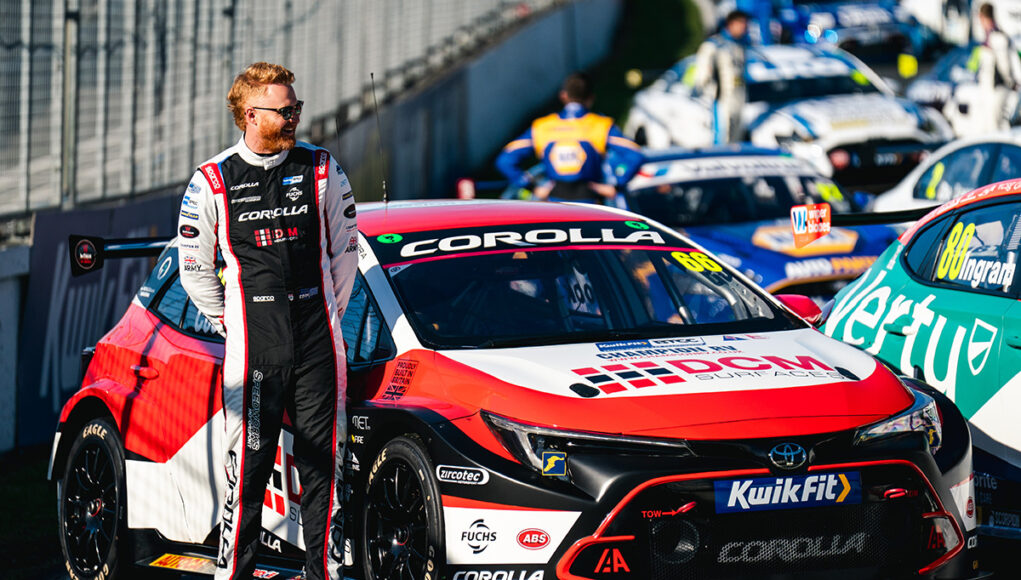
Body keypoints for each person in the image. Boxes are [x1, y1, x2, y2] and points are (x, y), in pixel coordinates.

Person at [177, 61, 357, 580]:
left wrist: (329, 314)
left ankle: (322, 572)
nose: (295, 117)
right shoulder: (211, 181)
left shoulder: (322, 168)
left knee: (324, 463)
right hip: (254, 346)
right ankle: (233, 574)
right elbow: (194, 271)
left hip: (318, 338)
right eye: (286, 110)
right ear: (251, 115)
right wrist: (232, 324)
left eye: (296, 108)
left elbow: (345, 254)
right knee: (250, 467)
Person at [495, 72, 643, 204]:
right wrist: (617, 185)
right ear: (591, 98)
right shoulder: (601, 125)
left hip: (553, 201)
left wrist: (531, 186)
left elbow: (505, 161)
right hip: (590, 200)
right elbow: (635, 155)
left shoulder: (542, 126)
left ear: (563, 96)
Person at [694, 10, 750, 144]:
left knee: (737, 138)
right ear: (730, 24)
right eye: (740, 23)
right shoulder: (714, 45)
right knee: (722, 137)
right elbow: (702, 75)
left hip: (738, 99)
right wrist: (708, 94)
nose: (744, 28)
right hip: (721, 99)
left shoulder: (740, 46)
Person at [974, 3, 1021, 132]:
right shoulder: (990, 36)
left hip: (998, 89)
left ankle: (1005, 151)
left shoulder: (996, 36)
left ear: (982, 17)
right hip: (992, 89)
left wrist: (1010, 82)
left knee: (997, 126)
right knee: (992, 126)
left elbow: (1004, 64)